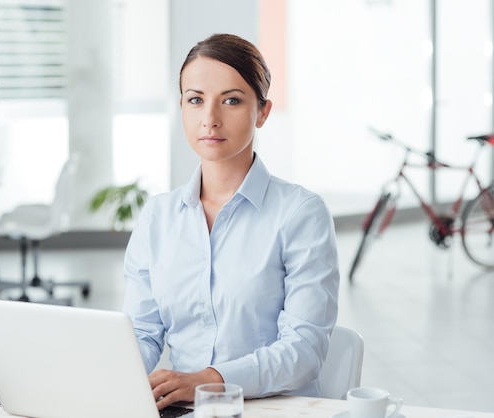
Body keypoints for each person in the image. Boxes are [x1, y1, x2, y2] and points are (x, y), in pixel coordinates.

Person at [123, 33, 340, 410]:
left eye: (232, 100)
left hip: (272, 407)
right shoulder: (157, 218)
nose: (210, 119)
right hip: (185, 409)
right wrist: (113, 378)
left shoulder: (301, 214)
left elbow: (304, 350)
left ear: (262, 112)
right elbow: (141, 333)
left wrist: (209, 382)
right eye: (196, 100)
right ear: (182, 108)